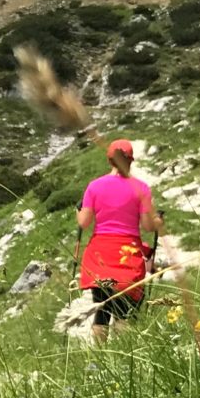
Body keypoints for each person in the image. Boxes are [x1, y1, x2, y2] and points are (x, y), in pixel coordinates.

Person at [74, 139, 161, 343]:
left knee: (101, 309)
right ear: (131, 160)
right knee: (124, 310)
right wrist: (158, 220)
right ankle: (124, 357)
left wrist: (78, 211)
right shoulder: (141, 188)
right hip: (127, 253)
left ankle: (101, 359)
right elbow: (148, 226)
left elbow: (84, 222)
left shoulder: (94, 186)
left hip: (100, 253)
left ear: (110, 160)